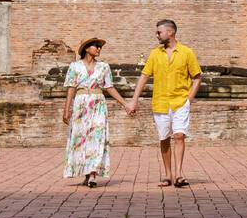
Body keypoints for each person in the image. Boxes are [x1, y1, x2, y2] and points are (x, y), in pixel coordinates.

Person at [127, 19, 202, 188]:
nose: (157, 35)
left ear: (170, 32)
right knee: (164, 138)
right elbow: (144, 76)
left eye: (159, 32)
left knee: (179, 136)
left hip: (180, 101)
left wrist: (189, 99)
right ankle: (168, 175)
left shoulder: (187, 53)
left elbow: (197, 77)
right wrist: (134, 100)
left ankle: (179, 174)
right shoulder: (155, 54)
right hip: (160, 102)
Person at [63, 37, 130, 187]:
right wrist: (66, 109)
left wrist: (125, 104)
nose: (99, 49)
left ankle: (93, 174)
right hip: (80, 104)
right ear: (87, 48)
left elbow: (110, 87)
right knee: (81, 138)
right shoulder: (75, 66)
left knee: (97, 137)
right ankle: (87, 175)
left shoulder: (104, 67)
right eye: (96, 46)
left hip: (98, 104)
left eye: (100, 47)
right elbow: (71, 88)